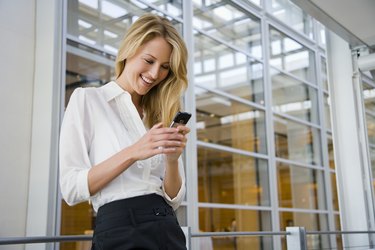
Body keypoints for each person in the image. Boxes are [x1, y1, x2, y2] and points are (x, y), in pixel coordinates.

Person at [59, 13, 190, 250]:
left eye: (164, 68)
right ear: (129, 49)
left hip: (168, 229)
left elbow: (174, 199)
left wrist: (172, 161)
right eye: (149, 61)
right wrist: (133, 152)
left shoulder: (158, 115)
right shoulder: (88, 100)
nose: (154, 74)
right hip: (121, 229)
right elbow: (70, 188)